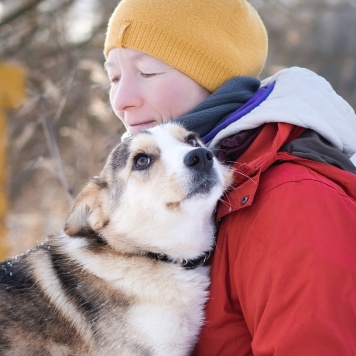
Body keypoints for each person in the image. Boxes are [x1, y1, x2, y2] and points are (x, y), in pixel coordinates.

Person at [103, 0, 356, 354]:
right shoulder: (188, 197)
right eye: (114, 77)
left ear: (214, 77)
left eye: (147, 73)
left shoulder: (294, 200)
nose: (121, 99)